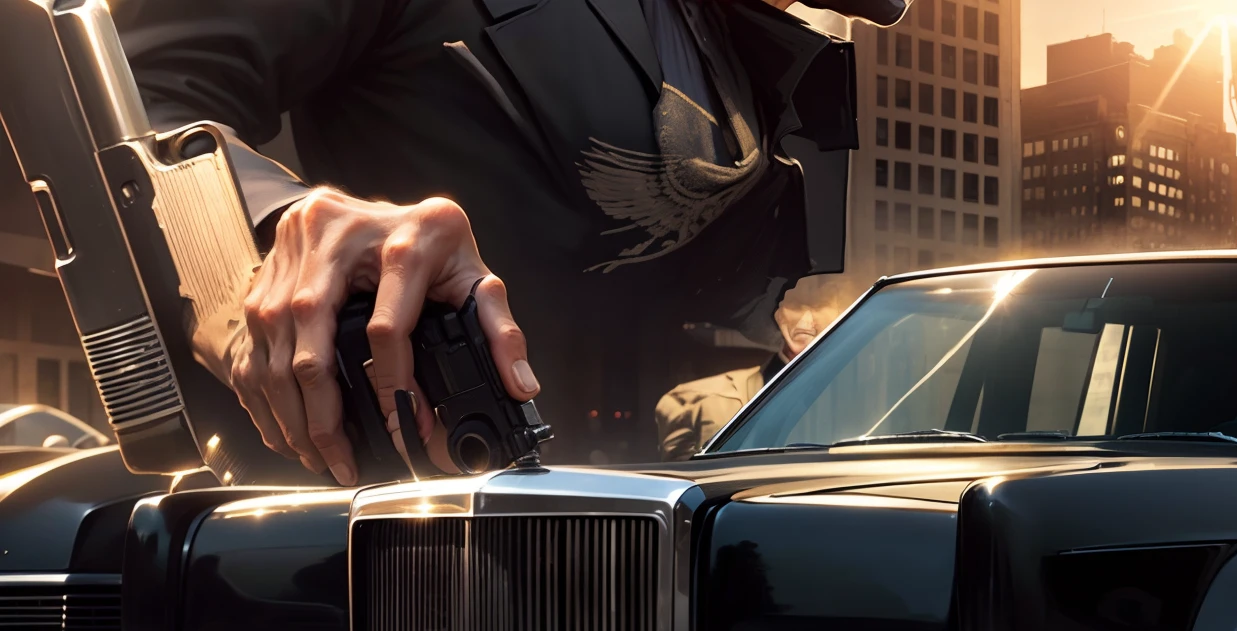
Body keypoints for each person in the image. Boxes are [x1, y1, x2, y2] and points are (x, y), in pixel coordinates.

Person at [114, 0, 900, 480]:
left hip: (680, 585)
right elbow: (124, 107)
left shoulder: (727, 40)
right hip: (412, 563)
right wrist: (277, 226)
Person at [656, 275, 848, 458]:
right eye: (796, 306)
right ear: (779, 313)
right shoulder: (695, 401)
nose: (806, 320)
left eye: (820, 306)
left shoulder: (859, 397)